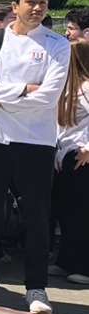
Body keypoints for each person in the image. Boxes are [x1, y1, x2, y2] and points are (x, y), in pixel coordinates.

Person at [0, 0, 72, 314]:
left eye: (43, 1)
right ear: (15, 6)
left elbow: (48, 97)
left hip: (36, 142)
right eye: (31, 1)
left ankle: (36, 287)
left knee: (36, 216)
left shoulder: (57, 45)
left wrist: (1, 94)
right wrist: (24, 89)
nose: (37, 7)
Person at [53, 42, 89, 285]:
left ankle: (83, 265)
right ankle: (66, 260)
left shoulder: (86, 88)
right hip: (64, 154)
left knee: (81, 213)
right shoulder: (68, 87)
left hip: (81, 155)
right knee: (66, 211)